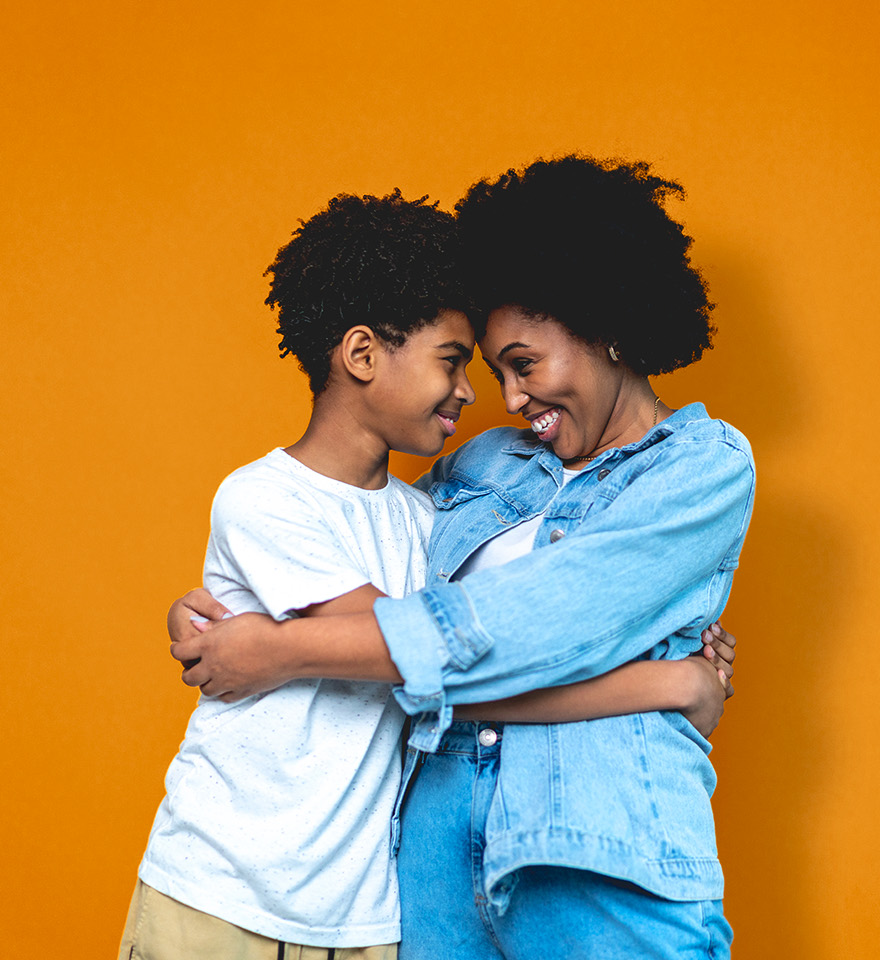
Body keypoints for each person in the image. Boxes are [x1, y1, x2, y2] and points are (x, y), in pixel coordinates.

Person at [124, 189, 733, 960]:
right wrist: (667, 683)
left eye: (521, 365)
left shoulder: (694, 467)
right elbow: (414, 641)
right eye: (473, 365)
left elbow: (465, 645)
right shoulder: (458, 473)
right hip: (336, 883)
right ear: (361, 354)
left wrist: (276, 649)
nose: (500, 398)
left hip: (524, 879)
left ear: (604, 327)